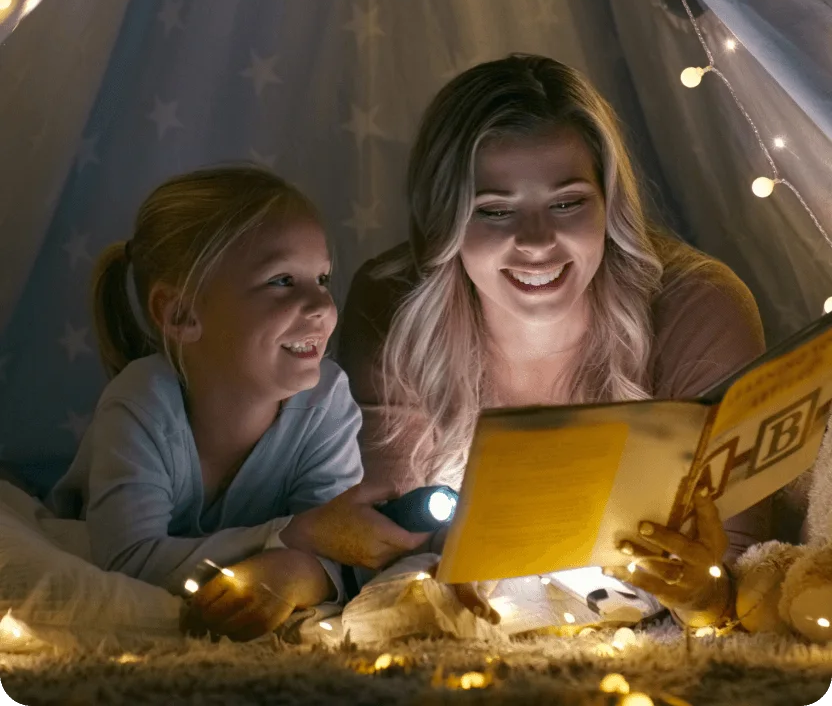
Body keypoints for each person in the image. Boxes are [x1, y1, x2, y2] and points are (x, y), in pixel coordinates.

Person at [337, 54, 770, 628]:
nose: (536, 241)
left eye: (567, 202)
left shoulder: (699, 307)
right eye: (494, 210)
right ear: (446, 221)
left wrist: (706, 598)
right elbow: (382, 542)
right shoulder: (393, 305)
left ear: (609, 203)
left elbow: (738, 569)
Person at [48, 165, 428, 641]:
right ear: (183, 314)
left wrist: (297, 569)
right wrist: (294, 537)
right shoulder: (140, 403)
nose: (322, 307)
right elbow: (129, 559)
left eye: (323, 279)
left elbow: (336, 541)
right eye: (282, 280)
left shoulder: (326, 400)